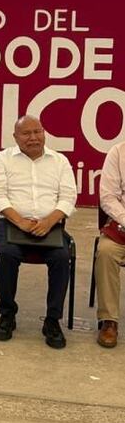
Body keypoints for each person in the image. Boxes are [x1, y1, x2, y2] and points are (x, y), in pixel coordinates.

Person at [0, 115, 76, 349]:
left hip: (50, 224)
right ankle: (7, 314)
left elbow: (68, 198)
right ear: (15, 137)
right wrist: (20, 221)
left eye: (38, 132)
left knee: (61, 258)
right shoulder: (2, 159)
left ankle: (52, 320)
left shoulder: (59, 161)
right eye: (26, 133)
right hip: (12, 223)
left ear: (44, 133)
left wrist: (48, 221)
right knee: (7, 256)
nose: (33, 138)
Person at [96, 140, 125, 348]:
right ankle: (109, 321)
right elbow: (107, 197)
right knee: (105, 251)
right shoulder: (118, 152)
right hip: (122, 225)